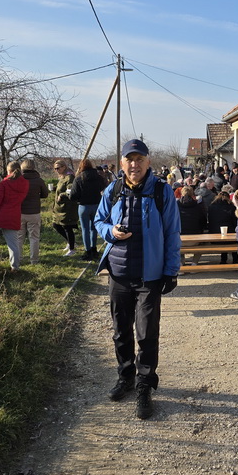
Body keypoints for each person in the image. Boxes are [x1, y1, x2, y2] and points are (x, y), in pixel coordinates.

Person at [95, 139, 181, 420]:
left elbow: (172, 232)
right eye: (129, 160)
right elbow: (99, 221)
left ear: (148, 163)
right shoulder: (114, 189)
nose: (134, 165)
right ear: (122, 164)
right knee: (120, 330)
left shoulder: (161, 191)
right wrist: (111, 232)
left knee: (146, 334)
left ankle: (145, 385)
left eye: (139, 159)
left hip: (149, 277)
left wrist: (171, 270)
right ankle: (126, 377)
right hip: (118, 274)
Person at [70, 158, 107, 260]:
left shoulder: (78, 178)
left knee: (85, 229)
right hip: (96, 205)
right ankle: (94, 249)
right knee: (94, 228)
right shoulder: (98, 177)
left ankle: (87, 251)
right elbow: (103, 186)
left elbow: (73, 195)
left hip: (83, 206)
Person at [18, 158, 49, 265]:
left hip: (20, 212)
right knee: (34, 238)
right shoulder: (39, 180)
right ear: (34, 167)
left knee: (19, 237)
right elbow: (45, 194)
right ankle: (34, 260)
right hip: (34, 212)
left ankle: (18, 258)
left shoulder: (18, 179)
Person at [52, 160, 79, 256]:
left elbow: (70, 190)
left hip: (67, 207)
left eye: (58, 168)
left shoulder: (70, 177)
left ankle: (72, 249)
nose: (56, 170)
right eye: (55, 168)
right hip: (59, 207)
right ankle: (71, 242)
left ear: (64, 167)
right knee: (56, 225)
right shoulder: (62, 177)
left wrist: (62, 195)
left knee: (67, 227)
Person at [177, 185, 206, 266]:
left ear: (181, 194)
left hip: (179, 239)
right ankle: (194, 263)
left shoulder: (176, 206)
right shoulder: (197, 206)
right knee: (202, 244)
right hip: (194, 239)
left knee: (178, 244)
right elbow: (203, 222)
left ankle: (181, 262)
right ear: (193, 195)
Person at [207, 191, 238, 264]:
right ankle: (235, 260)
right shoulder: (231, 207)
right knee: (233, 238)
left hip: (214, 235)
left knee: (225, 239)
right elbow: (235, 222)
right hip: (230, 235)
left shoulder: (211, 207)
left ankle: (223, 259)